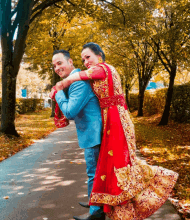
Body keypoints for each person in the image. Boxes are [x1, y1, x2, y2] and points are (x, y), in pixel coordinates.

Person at [54, 43, 179, 220]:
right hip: (110, 119)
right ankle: (100, 204)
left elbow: (87, 75)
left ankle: (103, 209)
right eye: (83, 59)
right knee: (110, 167)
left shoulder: (104, 68)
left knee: (119, 166)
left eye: (88, 57)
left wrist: (64, 83)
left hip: (116, 120)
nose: (86, 61)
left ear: (99, 55)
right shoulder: (98, 71)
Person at [49, 49, 105, 220]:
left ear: (70, 62)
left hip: (92, 133)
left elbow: (70, 112)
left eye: (59, 63)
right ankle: (94, 202)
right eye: (54, 66)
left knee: (93, 173)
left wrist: (57, 94)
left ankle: (96, 213)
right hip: (90, 132)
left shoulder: (77, 82)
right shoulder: (74, 80)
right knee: (94, 172)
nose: (57, 68)